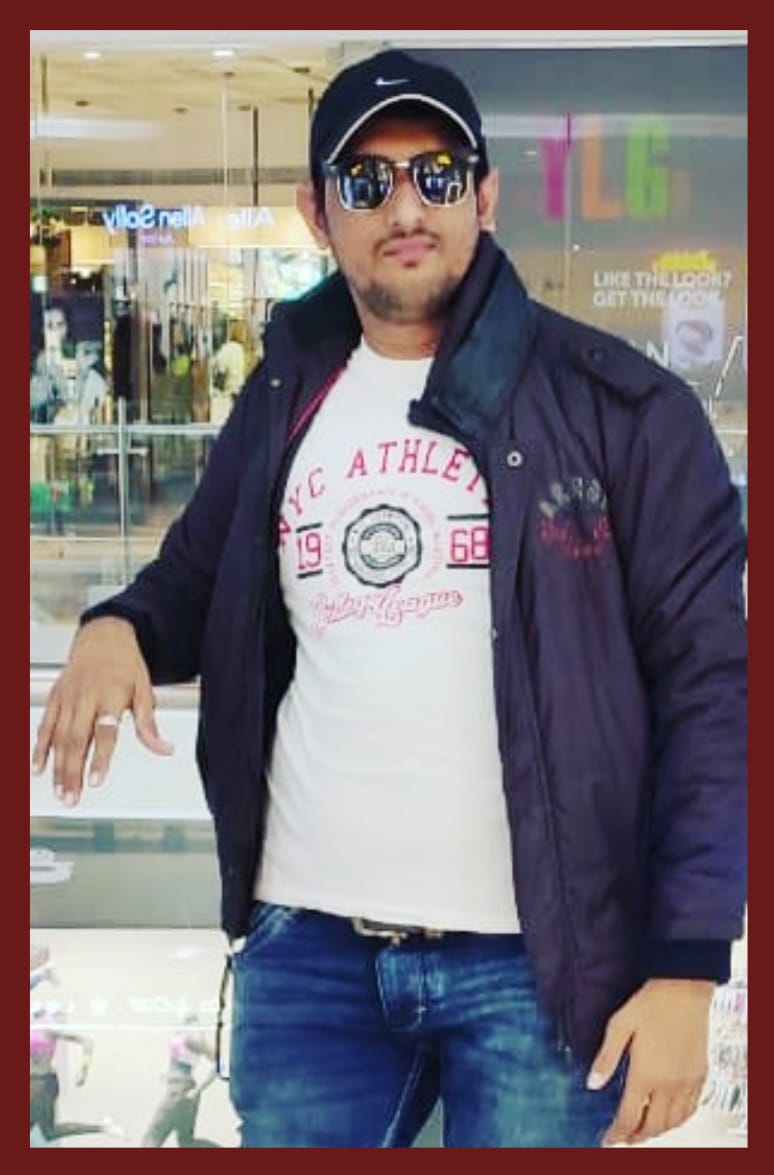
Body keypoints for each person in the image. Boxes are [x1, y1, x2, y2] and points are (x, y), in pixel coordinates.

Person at [32, 49, 747, 1149]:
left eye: (436, 174)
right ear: (317, 213)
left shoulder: (622, 411)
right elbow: (194, 575)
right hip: (309, 955)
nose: (405, 207)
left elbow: (714, 691)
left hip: (542, 969)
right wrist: (116, 625)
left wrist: (689, 966)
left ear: (484, 196)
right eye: (367, 181)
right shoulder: (285, 393)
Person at [29, 1005, 124, 1144]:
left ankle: (103, 1127)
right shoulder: (35, 1026)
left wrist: (84, 1069)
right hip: (35, 1082)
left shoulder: (48, 1028)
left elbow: (87, 1041)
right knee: (42, 1129)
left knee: (49, 1131)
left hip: (41, 1083)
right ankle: (104, 1127)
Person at [141, 1013, 220, 1147]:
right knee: (186, 1142)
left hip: (178, 1091)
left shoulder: (191, 1037)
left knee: (152, 1138)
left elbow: (219, 1064)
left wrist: (199, 1088)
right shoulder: (189, 1036)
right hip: (186, 1091)